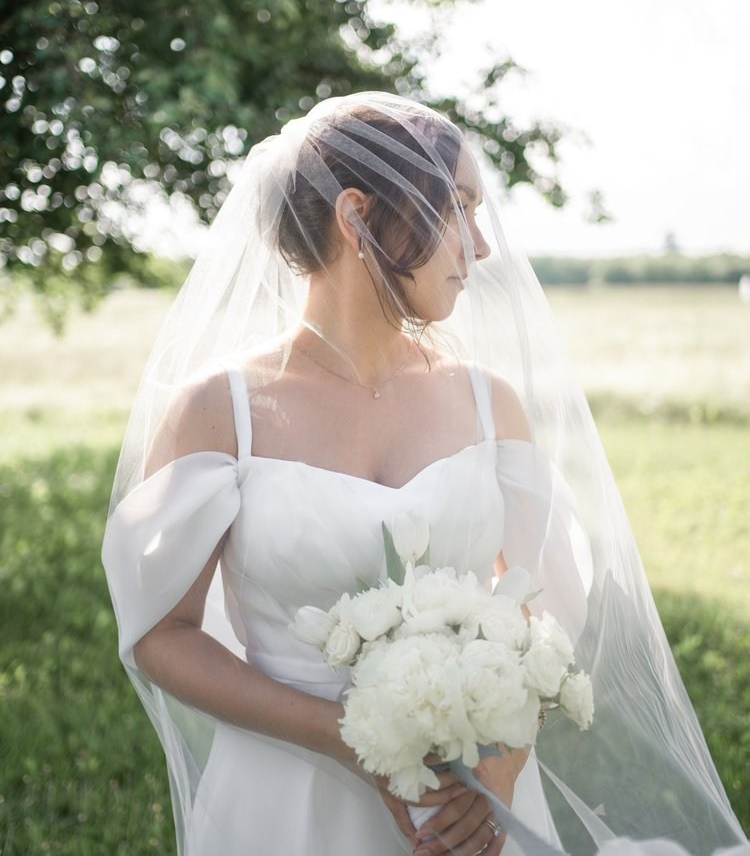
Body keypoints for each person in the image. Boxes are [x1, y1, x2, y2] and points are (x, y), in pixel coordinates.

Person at [103, 94, 748, 856]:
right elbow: (162, 634)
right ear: (357, 215)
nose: (478, 246)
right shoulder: (222, 409)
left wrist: (502, 764)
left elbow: (549, 615)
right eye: (459, 208)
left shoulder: (488, 401)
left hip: (471, 806)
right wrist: (352, 739)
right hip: (290, 803)